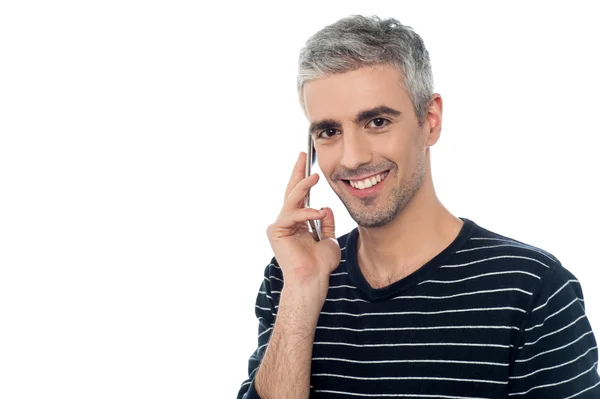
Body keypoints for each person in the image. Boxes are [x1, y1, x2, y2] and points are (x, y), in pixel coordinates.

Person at [236, 14, 600, 398]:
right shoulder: (291, 280)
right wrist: (302, 290)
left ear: (430, 120)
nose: (353, 158)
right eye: (329, 132)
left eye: (377, 122)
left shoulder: (532, 288)